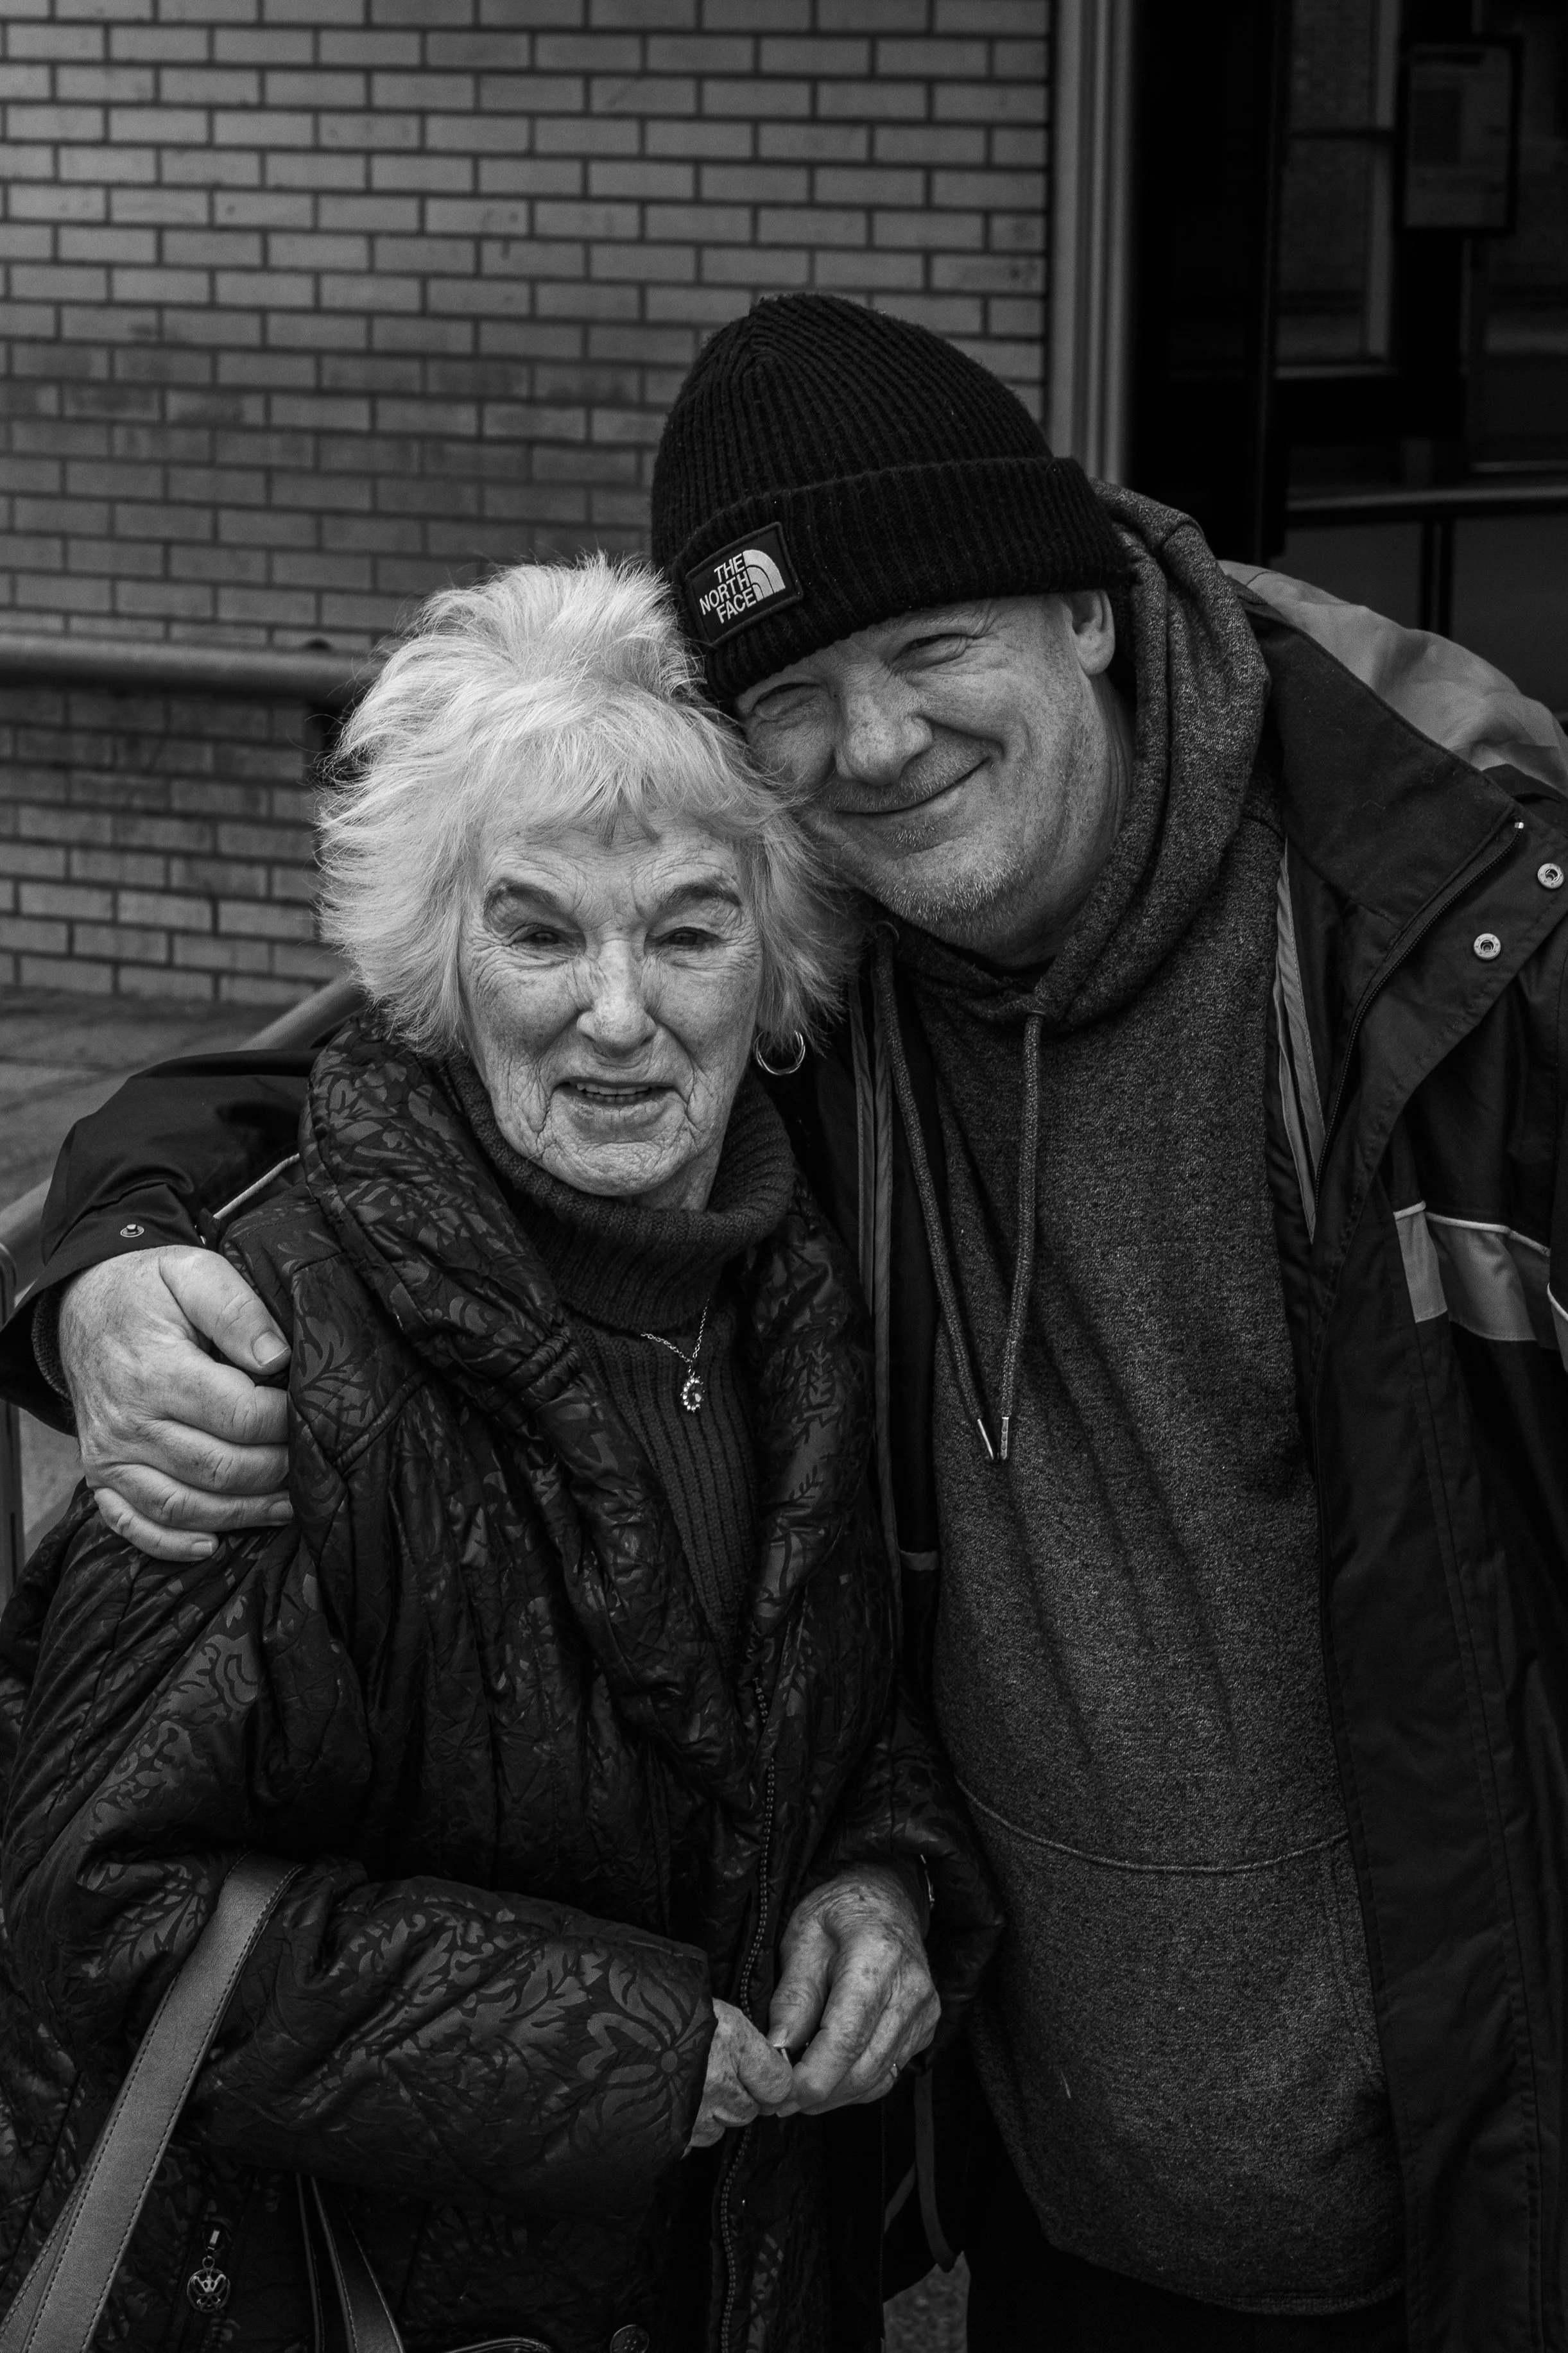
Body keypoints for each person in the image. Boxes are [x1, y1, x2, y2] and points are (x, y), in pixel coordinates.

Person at [3, 296, 1566, 2349]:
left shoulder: (1446, 968)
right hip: (1037, 2214)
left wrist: (882, 1874)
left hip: (1470, 2185)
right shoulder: (824, 1003)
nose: (880, 743)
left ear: (1091, 611)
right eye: (801, 691)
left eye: (932, 649)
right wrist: (105, 1244)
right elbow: (411, 1098)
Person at [0, 555, 1000, 2353]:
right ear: (433, 969)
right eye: (539, 931)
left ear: (779, 966)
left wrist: (883, 1869)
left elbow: (805, 1710)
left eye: (689, 930)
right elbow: (104, 1914)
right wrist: (619, 2051)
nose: (617, 1013)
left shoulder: (810, 1291)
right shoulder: (264, 1344)